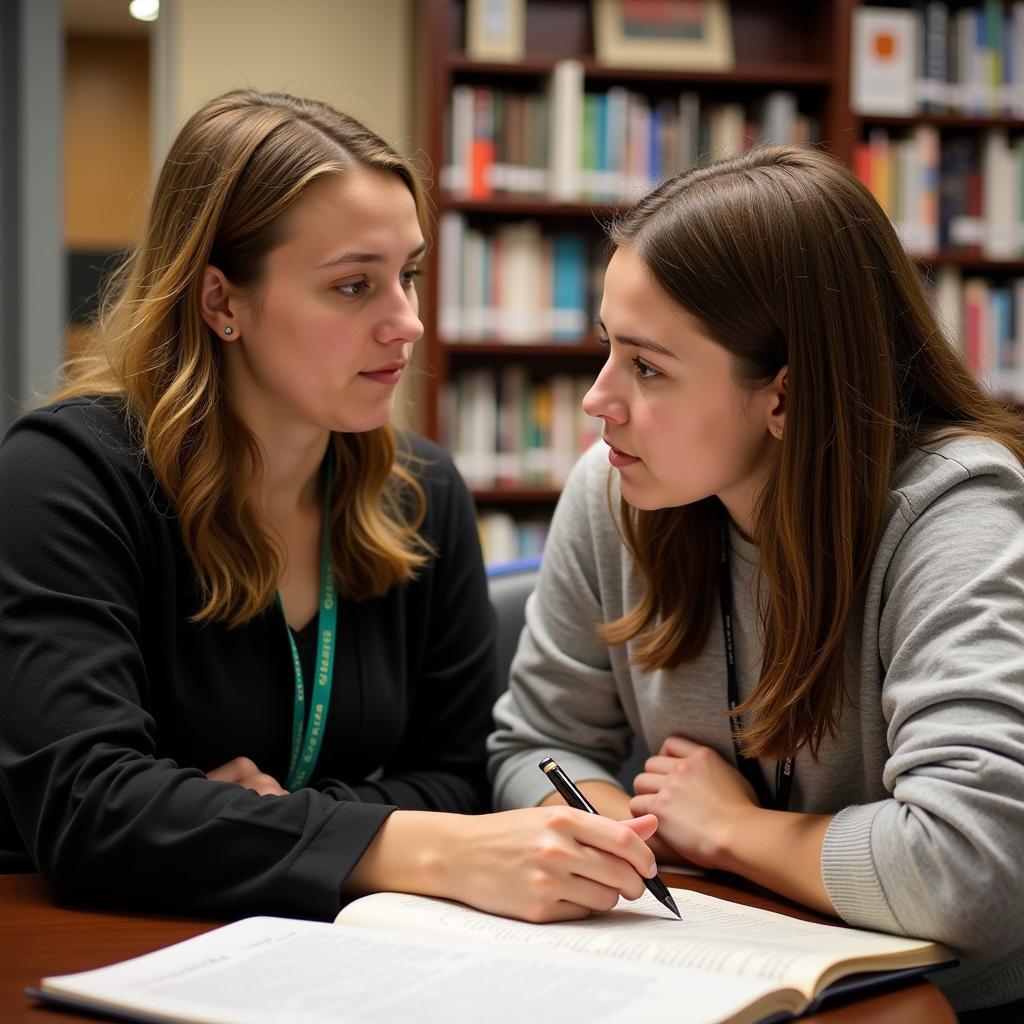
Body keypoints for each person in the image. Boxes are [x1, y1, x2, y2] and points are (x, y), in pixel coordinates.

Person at [0, 90, 661, 923]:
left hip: (337, 945)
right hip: (94, 941)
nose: (407, 323)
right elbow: (91, 810)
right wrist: (408, 842)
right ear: (222, 303)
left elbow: (459, 774)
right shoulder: (62, 475)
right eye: (353, 286)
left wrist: (245, 821)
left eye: (409, 275)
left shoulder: (421, 494)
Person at [488, 145, 1024, 1018]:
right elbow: (535, 746)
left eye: (648, 367)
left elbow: (974, 868)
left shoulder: (955, 515)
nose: (598, 399)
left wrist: (734, 832)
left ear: (785, 395)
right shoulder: (616, 486)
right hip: (715, 967)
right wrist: (617, 831)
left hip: (937, 1004)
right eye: (606, 349)